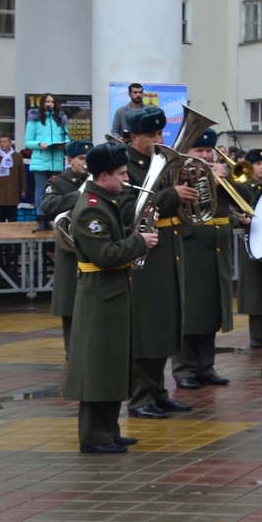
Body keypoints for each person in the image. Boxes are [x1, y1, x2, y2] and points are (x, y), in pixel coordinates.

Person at [67, 142, 159, 454]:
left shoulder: (106, 200)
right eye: (120, 174)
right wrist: (139, 242)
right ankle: (94, 436)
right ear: (104, 175)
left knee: (112, 364)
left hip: (112, 292)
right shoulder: (92, 207)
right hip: (99, 294)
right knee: (98, 367)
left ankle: (109, 428)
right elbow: (104, 254)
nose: (125, 179)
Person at [122, 106, 196, 419]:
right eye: (151, 135)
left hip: (168, 249)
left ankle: (158, 391)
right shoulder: (124, 165)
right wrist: (172, 196)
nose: (158, 140)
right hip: (144, 255)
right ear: (133, 136)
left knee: (166, 323)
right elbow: (129, 210)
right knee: (146, 327)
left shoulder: (160, 162)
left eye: (160, 133)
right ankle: (140, 397)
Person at [171, 129, 234, 390]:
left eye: (209, 151)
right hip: (189, 247)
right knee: (189, 311)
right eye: (200, 151)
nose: (206, 156)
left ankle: (206, 366)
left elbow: (246, 203)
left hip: (216, 249)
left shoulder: (219, 175)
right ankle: (184, 368)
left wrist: (229, 182)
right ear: (188, 153)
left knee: (211, 309)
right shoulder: (177, 175)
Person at [41, 140, 92, 353]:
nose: (85, 163)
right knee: (71, 306)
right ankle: (73, 354)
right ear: (70, 160)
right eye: (81, 159)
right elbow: (48, 206)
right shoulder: (59, 183)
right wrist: (79, 195)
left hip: (92, 249)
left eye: (88, 159)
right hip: (70, 252)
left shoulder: (96, 180)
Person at [237, 148, 262, 348]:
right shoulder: (243, 187)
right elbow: (233, 210)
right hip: (250, 241)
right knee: (254, 289)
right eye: (258, 164)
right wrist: (240, 219)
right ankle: (256, 333)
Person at [25, 94, 71, 228]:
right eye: (47, 101)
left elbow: (67, 138)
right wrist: (39, 143)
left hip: (56, 160)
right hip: (40, 159)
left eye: (52, 101)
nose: (50, 104)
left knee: (53, 190)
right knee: (40, 189)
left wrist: (64, 144)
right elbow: (28, 142)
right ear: (42, 104)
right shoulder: (34, 119)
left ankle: (50, 218)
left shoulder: (60, 119)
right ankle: (41, 218)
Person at [0, 136, 27, 222]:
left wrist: (23, 190)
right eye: (0, 142)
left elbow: (22, 174)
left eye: (4, 142)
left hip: (12, 194)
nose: (2, 144)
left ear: (10, 143)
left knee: (12, 220)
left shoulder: (17, 156)